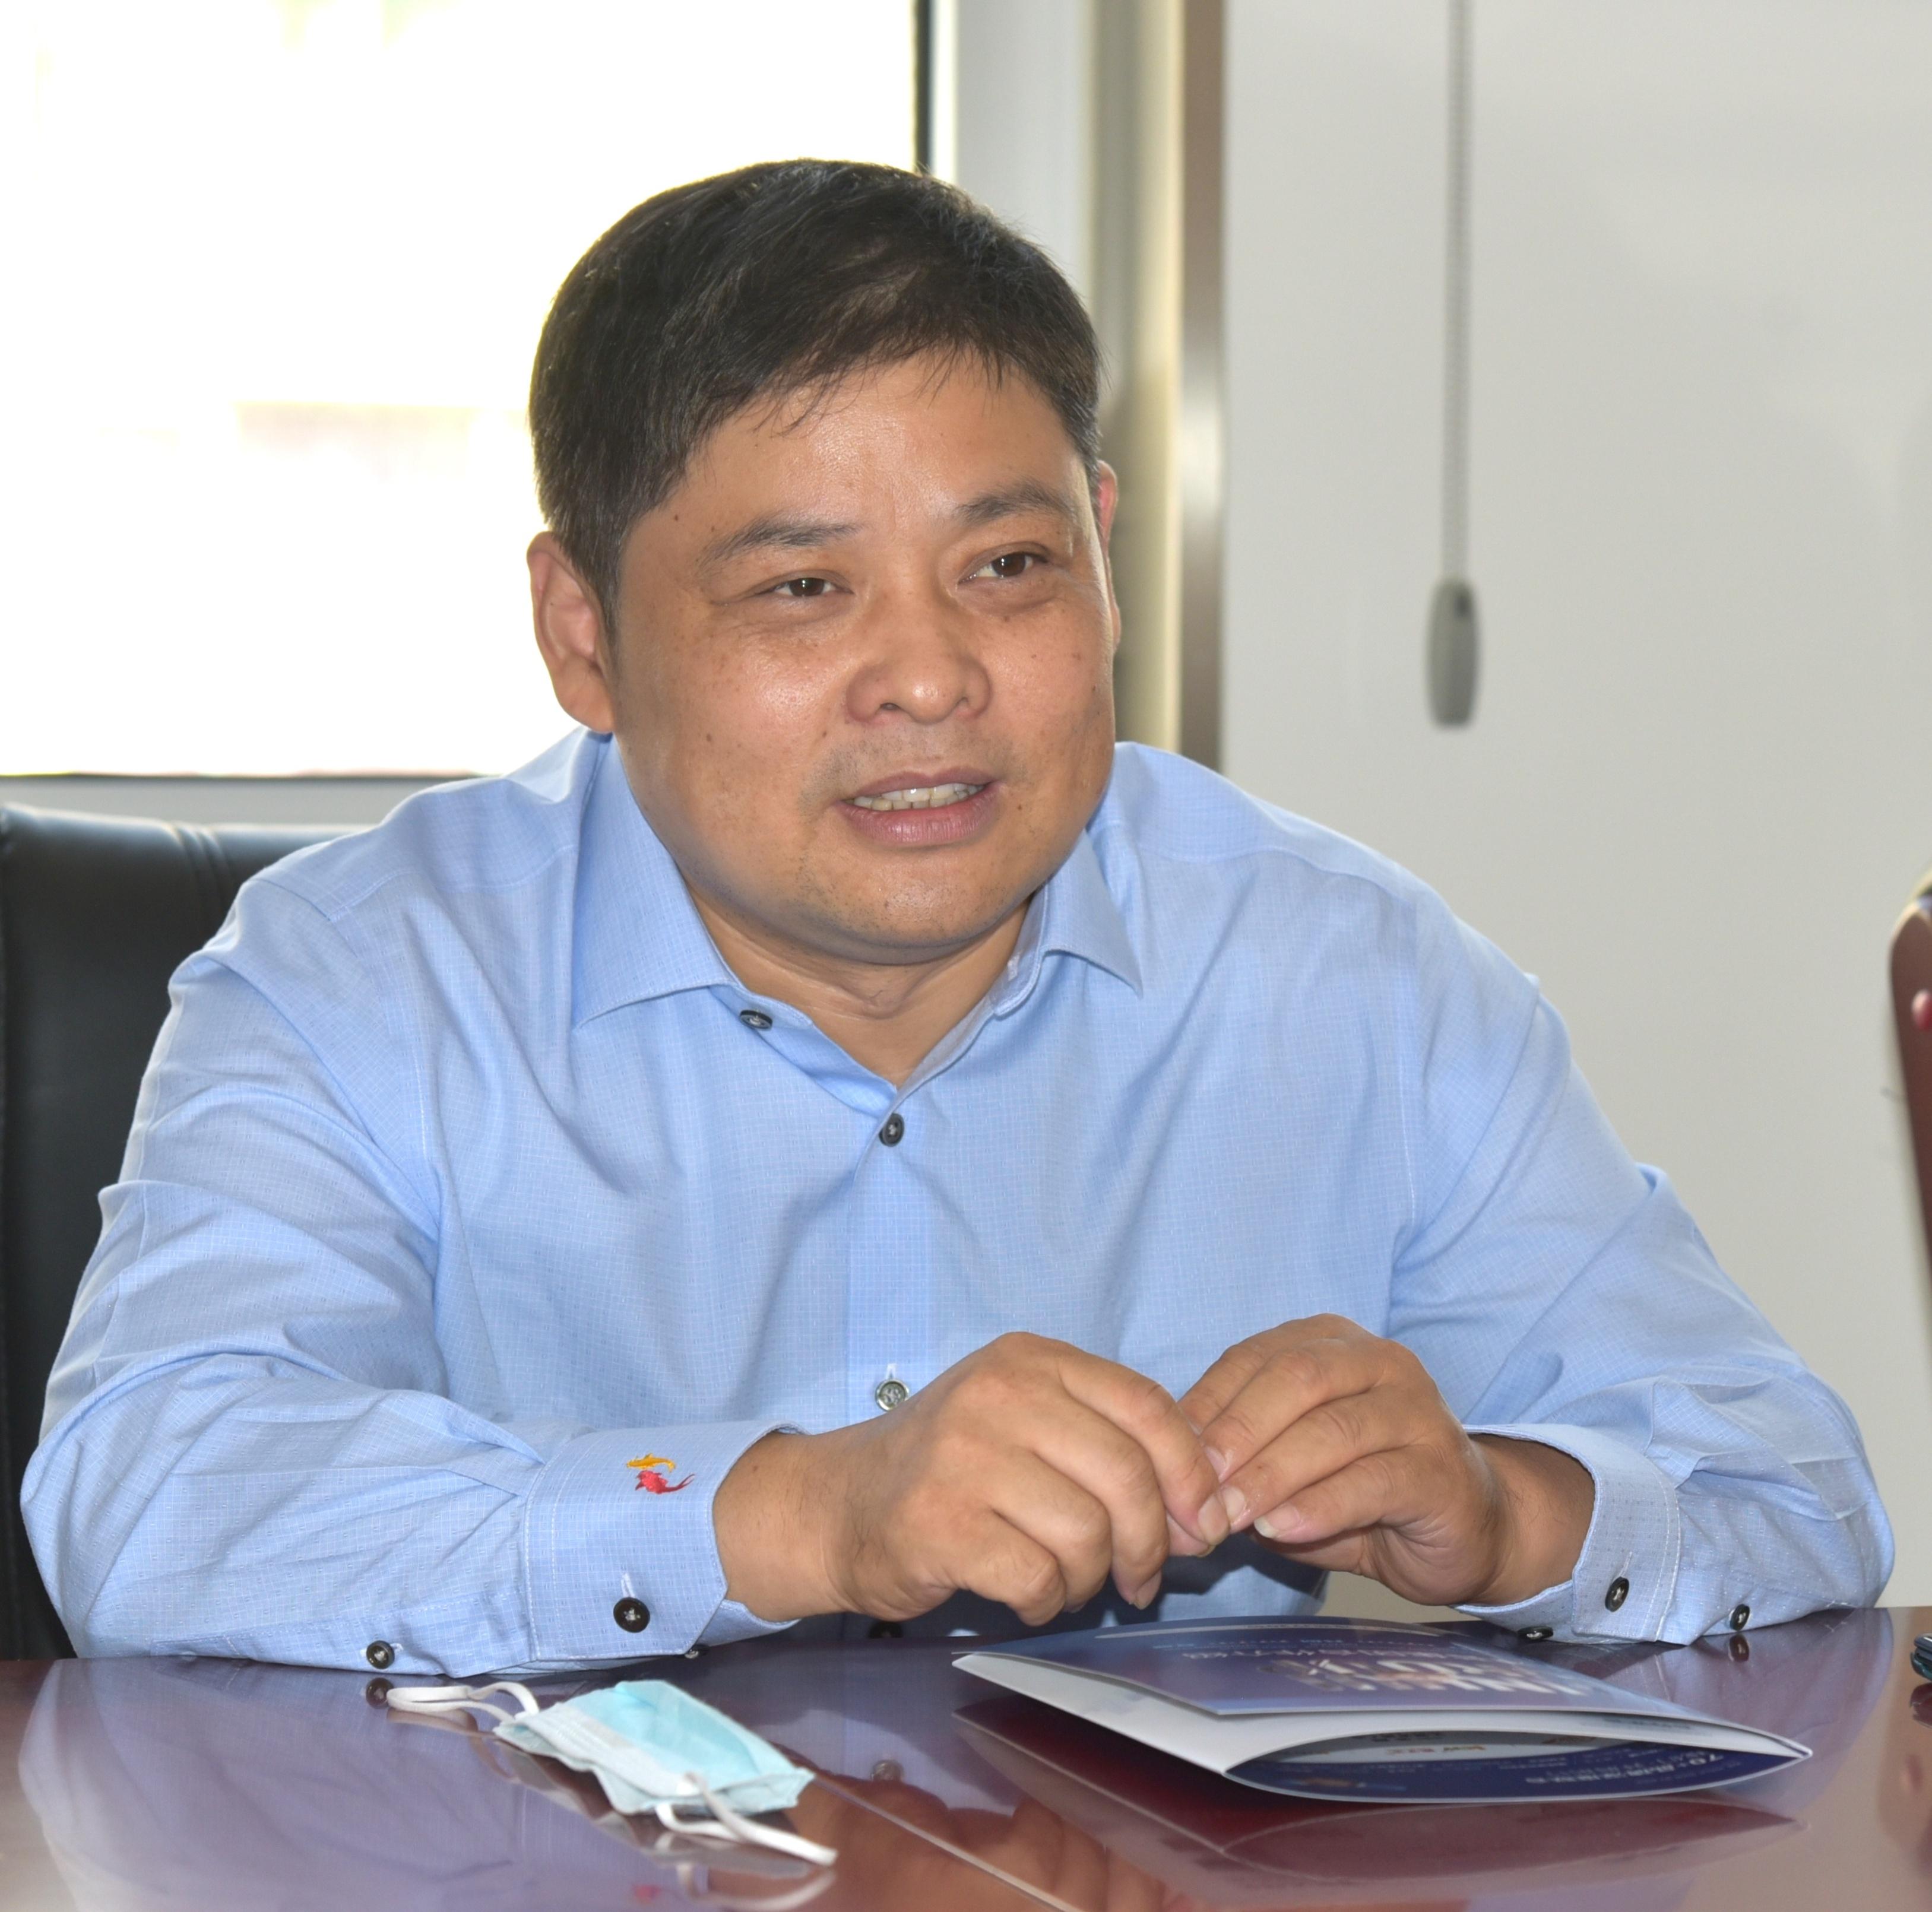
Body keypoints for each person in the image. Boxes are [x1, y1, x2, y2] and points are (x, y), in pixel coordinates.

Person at [23, 161, 1889, 1676]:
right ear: (582, 636)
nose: (929, 678)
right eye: (802, 590)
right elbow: (155, 1497)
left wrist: (1501, 1508)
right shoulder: (362, 975)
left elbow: (1794, 1494)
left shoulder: (1349, 973)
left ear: (1105, 555)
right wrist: (792, 1512)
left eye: (1007, 566)